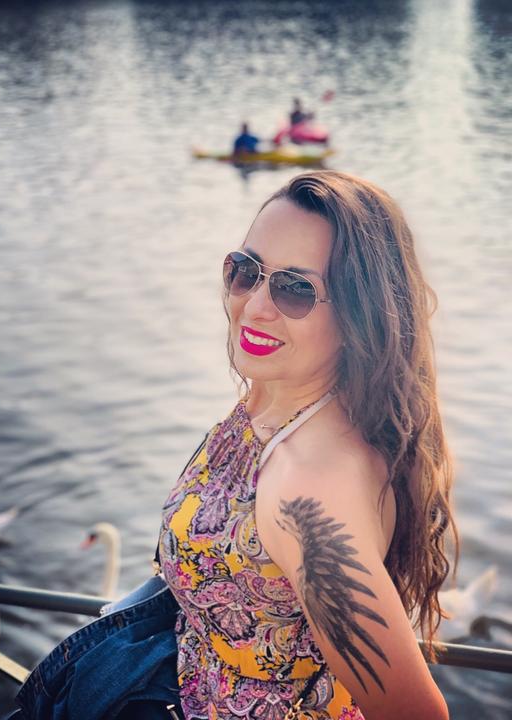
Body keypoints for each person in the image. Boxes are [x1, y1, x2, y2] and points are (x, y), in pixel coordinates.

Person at [158, 171, 457, 720]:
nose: (255, 306)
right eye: (245, 271)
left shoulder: (309, 489)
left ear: (359, 315)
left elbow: (416, 714)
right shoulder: (277, 401)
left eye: (295, 290)